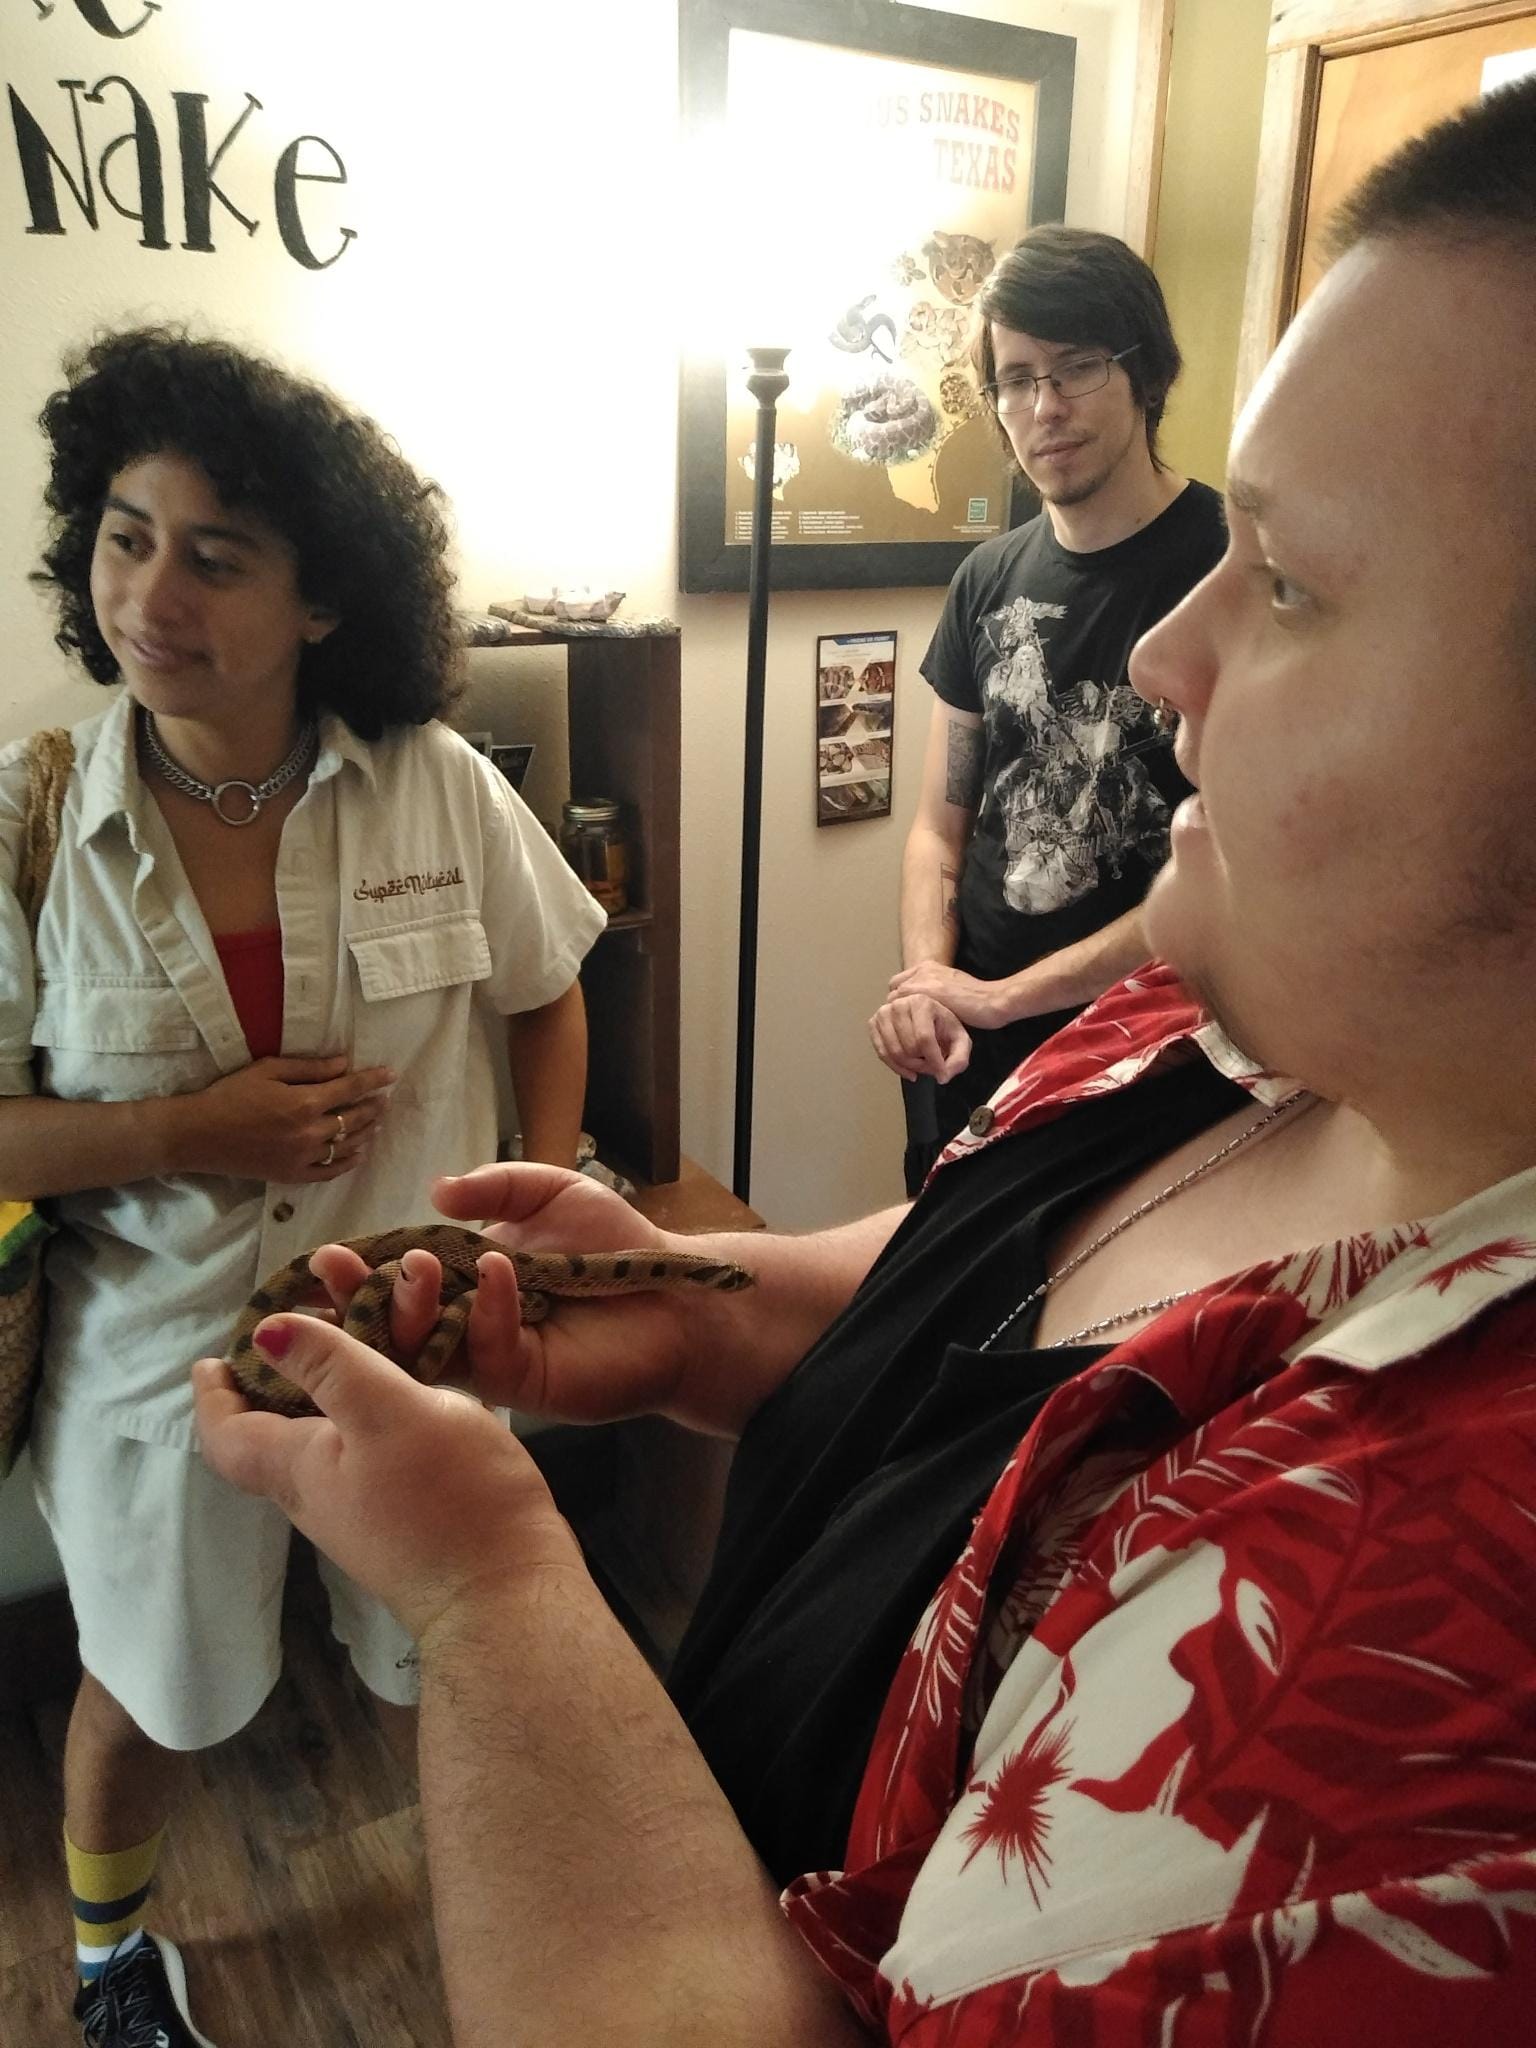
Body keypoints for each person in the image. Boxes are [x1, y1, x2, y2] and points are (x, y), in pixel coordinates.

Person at [197, 80, 1536, 2045]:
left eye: (1294, 583)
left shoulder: (1422, 1641)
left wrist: (489, 1581)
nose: (1164, 658)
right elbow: (950, 1286)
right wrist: (675, 1298)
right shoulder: (1208, 1020)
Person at [0, 328, 606, 2048]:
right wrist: (193, 1128)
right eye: (126, 536)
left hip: (412, 1337)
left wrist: (524, 1206)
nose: (151, 594)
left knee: (440, 1662)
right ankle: (112, 1959)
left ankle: (493, 1926)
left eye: (217, 555)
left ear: (322, 598)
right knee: (150, 1689)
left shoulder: (436, 783)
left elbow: (548, 988)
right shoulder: (32, 820)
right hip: (157, 1371)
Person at [870, 227, 1227, 1193]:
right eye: (1017, 379)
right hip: (975, 1057)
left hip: (1148, 1062)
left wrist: (1003, 998)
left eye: (1077, 368)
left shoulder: (1233, 570)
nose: (1046, 407)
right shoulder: (986, 579)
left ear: (1147, 374)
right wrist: (930, 988)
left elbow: (1227, 878)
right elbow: (940, 830)